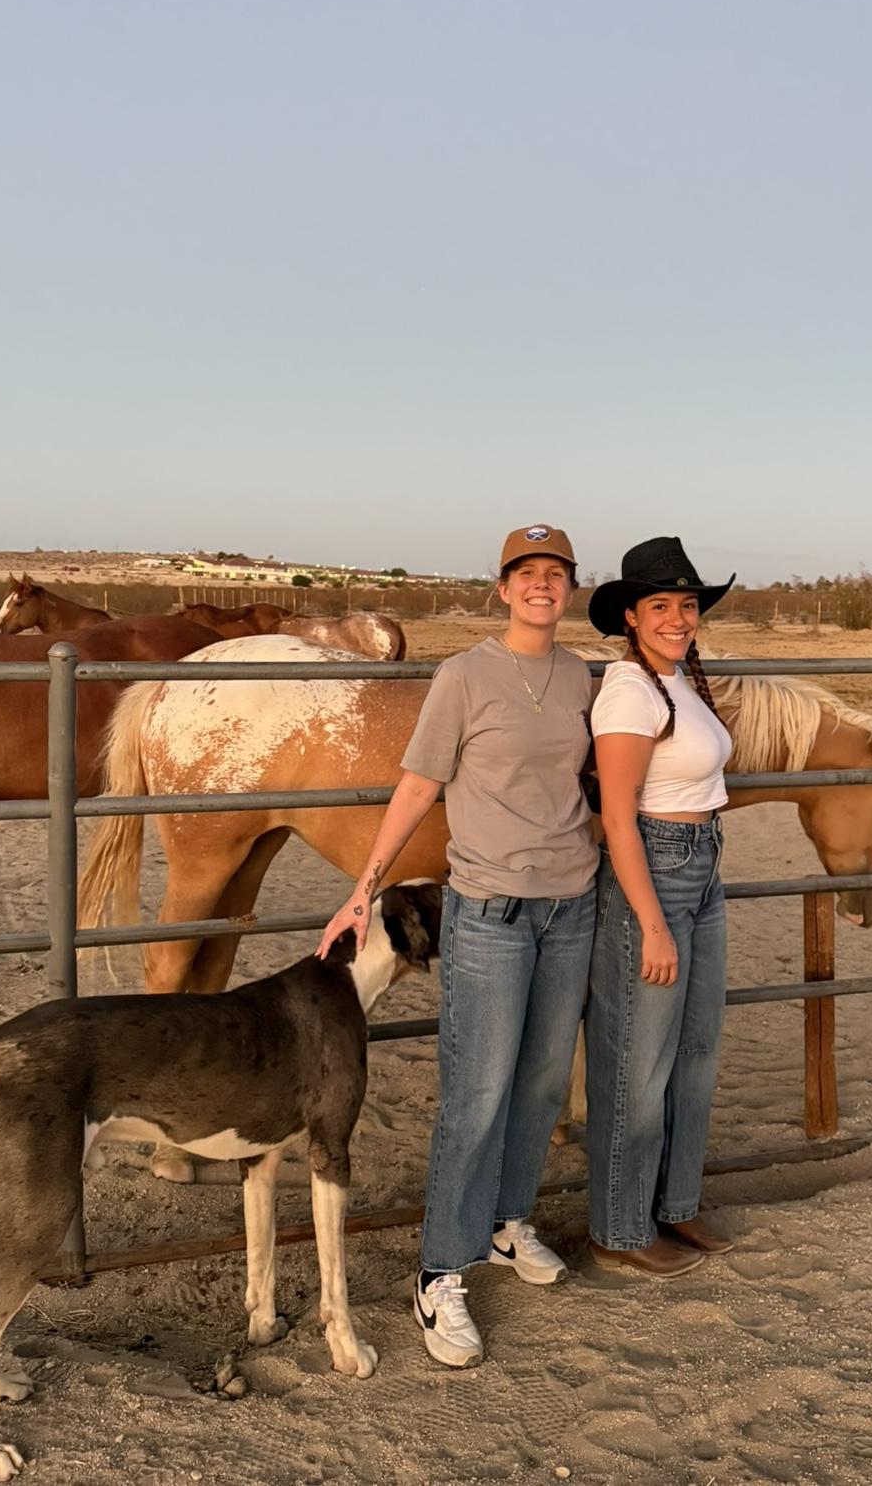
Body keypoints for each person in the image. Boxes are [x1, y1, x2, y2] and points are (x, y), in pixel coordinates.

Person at [317, 524, 597, 1368]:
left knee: (541, 1084)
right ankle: (440, 1271)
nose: (542, 585)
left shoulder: (580, 675)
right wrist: (363, 888)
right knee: (476, 1094)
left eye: (555, 573)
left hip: (570, 908)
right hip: (490, 915)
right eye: (527, 573)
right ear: (503, 588)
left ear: (569, 586)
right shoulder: (463, 676)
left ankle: (508, 1225)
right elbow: (417, 787)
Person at [583, 536, 737, 1276]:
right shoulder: (628, 691)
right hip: (656, 870)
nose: (677, 618)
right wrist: (649, 921)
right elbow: (617, 816)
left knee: (696, 1052)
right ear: (631, 616)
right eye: (660, 606)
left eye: (687, 604)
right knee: (638, 1062)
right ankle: (619, 1229)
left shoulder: (678, 680)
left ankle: (675, 1204)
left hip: (702, 866)